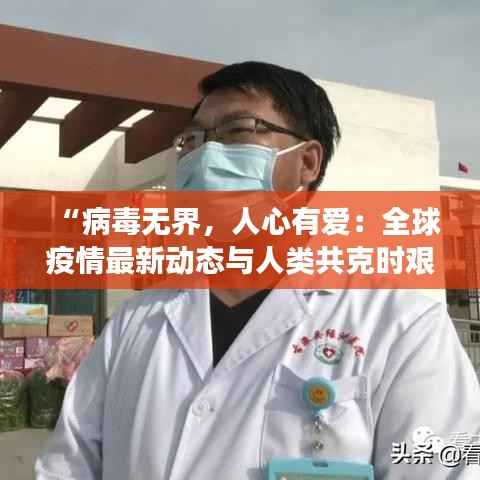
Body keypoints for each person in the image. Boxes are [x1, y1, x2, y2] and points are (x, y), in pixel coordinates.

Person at [35, 61, 480, 479]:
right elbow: (67, 464)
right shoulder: (136, 321)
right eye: (193, 140)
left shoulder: (403, 327)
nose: (206, 155)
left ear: (307, 162)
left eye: (238, 130)